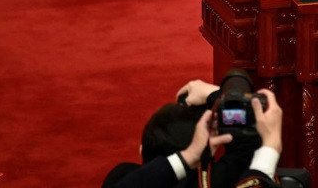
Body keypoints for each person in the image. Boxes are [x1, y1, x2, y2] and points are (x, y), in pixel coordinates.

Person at [102, 79, 282, 188]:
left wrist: (188, 156)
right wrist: (272, 145)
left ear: (142, 150)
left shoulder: (119, 177)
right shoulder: (217, 181)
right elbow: (245, 153)